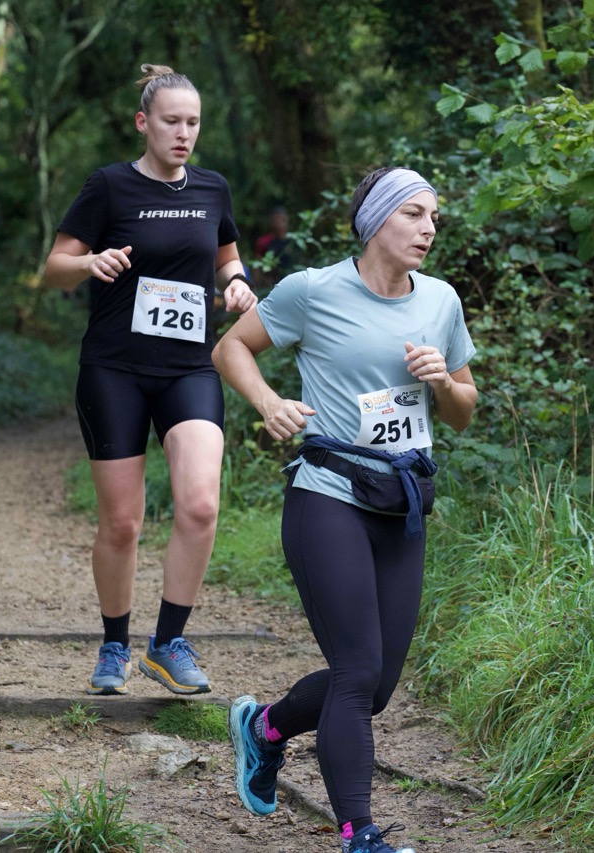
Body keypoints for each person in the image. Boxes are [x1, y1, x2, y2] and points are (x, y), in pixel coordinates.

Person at [211, 167, 477, 853]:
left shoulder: (441, 301)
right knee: (357, 671)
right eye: (414, 214)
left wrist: (443, 382)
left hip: (402, 505)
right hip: (327, 496)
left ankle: (264, 727)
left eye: (434, 217)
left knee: (377, 686)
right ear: (375, 222)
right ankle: (360, 834)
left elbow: (463, 410)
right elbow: (231, 347)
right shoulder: (313, 290)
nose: (428, 228)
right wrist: (269, 402)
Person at [42, 64, 256, 698]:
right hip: (115, 370)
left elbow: (226, 257)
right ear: (144, 122)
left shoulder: (212, 188)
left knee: (201, 504)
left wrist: (237, 284)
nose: (183, 133)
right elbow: (54, 268)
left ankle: (167, 644)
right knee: (122, 523)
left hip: (188, 368)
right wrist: (90, 261)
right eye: (171, 122)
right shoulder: (109, 186)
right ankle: (114, 645)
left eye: (193, 123)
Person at [252, 205, 296, 284]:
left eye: (283, 220)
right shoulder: (263, 242)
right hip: (270, 283)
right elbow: (257, 265)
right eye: (277, 221)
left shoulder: (294, 241)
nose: (280, 225)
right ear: (271, 222)